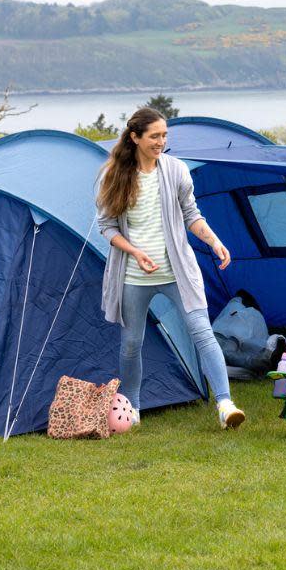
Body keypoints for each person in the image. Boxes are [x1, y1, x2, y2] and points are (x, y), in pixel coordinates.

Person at [96, 107, 246, 430]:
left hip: (177, 273)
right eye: (154, 136)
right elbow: (107, 227)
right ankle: (132, 408)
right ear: (135, 137)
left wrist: (214, 241)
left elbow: (192, 214)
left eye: (164, 135)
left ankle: (225, 404)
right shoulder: (115, 176)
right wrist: (135, 252)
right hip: (134, 276)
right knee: (132, 343)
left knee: (203, 334)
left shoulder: (176, 171)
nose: (161, 141)